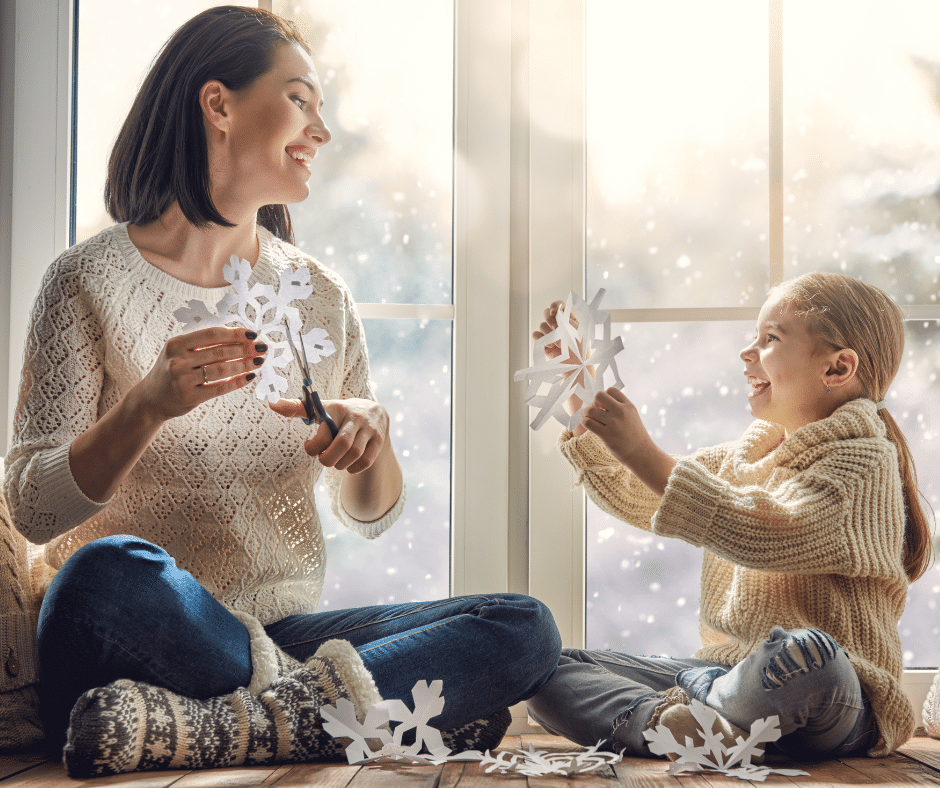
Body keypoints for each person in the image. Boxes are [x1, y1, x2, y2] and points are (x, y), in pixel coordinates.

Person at [3, 6, 560, 776]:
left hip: (276, 633)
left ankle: (228, 726)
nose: (320, 130)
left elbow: (368, 514)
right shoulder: (85, 281)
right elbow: (33, 506)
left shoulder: (317, 296)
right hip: (128, 635)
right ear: (219, 105)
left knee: (522, 625)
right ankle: (356, 717)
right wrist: (146, 407)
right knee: (106, 572)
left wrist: (372, 447)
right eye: (300, 99)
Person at [526, 272, 932, 761]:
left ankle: (701, 707)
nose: (747, 352)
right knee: (544, 667)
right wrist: (582, 388)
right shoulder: (746, 456)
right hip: (730, 678)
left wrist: (641, 449)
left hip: (837, 699)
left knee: (809, 656)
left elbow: (765, 529)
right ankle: (675, 724)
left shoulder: (865, 462)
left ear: (837, 367)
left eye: (770, 339)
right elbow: (645, 495)